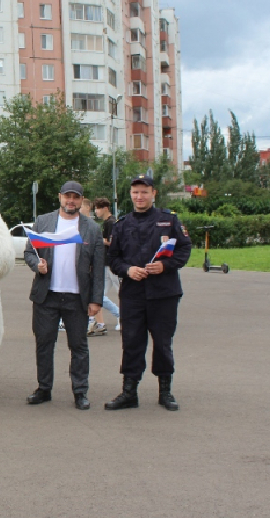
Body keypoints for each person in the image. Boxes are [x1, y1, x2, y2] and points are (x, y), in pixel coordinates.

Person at [105, 175, 191, 411]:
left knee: (163, 344)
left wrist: (165, 265)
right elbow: (113, 259)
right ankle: (129, 392)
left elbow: (184, 250)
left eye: (144, 192)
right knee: (131, 343)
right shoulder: (122, 224)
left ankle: (165, 391)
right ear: (130, 195)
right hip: (133, 294)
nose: (139, 197)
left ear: (153, 193)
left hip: (164, 293)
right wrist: (128, 270)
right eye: (135, 192)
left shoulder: (168, 220)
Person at [23, 180, 105, 410]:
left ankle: (80, 392)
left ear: (81, 200)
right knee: (44, 344)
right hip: (46, 295)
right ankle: (44, 388)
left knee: (78, 346)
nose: (71, 201)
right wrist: (35, 264)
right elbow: (30, 251)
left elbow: (98, 269)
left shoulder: (92, 229)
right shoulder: (44, 221)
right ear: (60, 197)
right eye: (67, 196)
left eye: (75, 197)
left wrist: (96, 300)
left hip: (77, 297)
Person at [93, 197, 121, 332]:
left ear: (105, 208)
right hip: (105, 263)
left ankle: (123, 318)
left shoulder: (111, 223)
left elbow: (112, 242)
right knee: (98, 294)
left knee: (121, 292)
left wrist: (99, 239)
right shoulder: (106, 223)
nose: (96, 211)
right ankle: (94, 319)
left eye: (97, 208)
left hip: (112, 264)